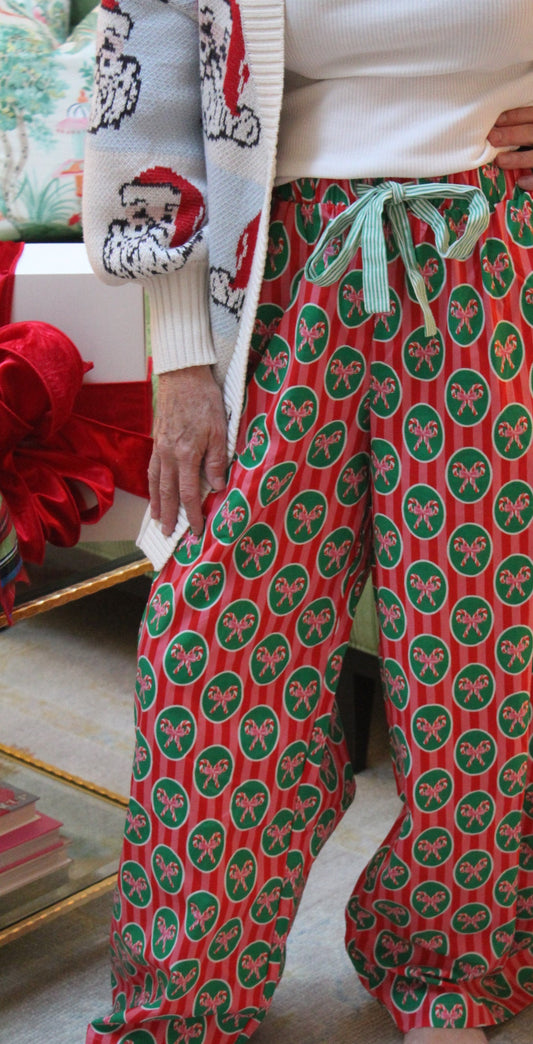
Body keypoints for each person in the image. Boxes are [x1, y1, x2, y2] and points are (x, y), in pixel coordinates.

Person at [81, 2, 533, 1042]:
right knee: (214, 646)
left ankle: (450, 967)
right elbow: (146, 95)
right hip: (278, 275)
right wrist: (181, 359)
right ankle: (180, 997)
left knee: (477, 655)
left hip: (492, 256)